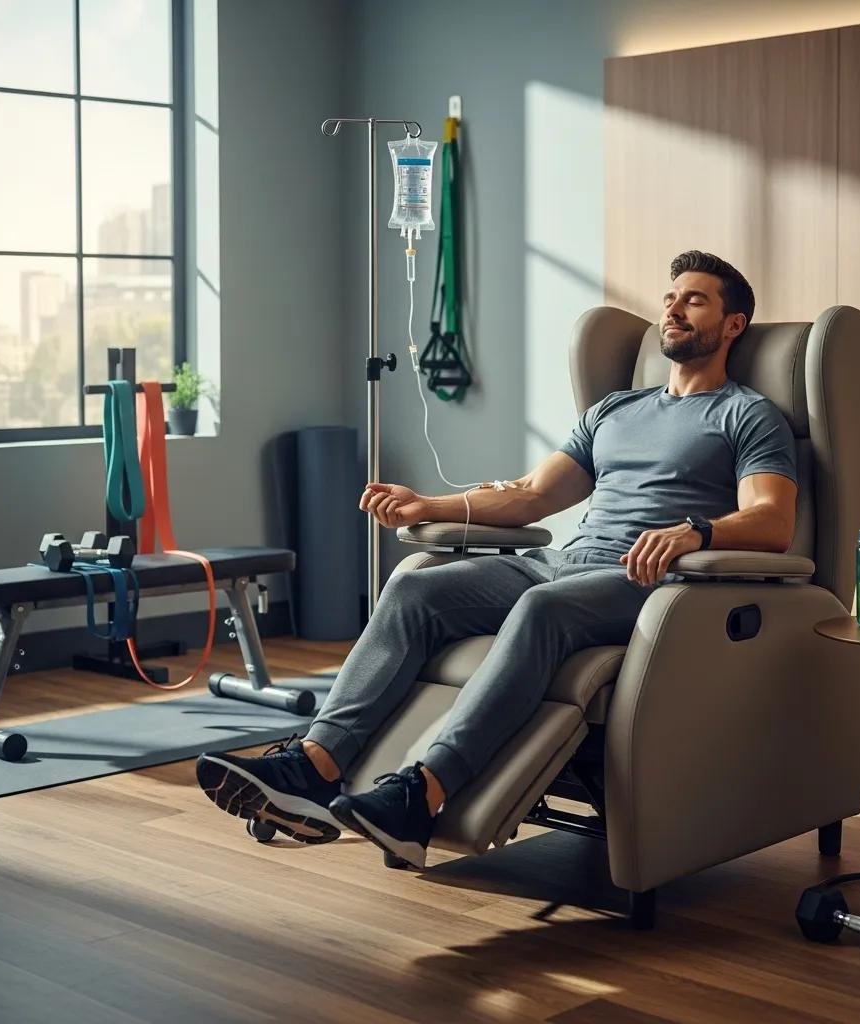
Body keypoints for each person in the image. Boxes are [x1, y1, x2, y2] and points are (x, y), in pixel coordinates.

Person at [196, 250, 798, 871]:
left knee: (543, 608)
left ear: (733, 325)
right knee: (416, 591)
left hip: (647, 581)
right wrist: (424, 503)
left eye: (694, 299)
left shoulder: (746, 415)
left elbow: (774, 522)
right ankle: (315, 766)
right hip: (567, 563)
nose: (673, 308)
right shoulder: (615, 410)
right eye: (670, 297)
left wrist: (697, 532)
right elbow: (533, 497)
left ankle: (421, 793)